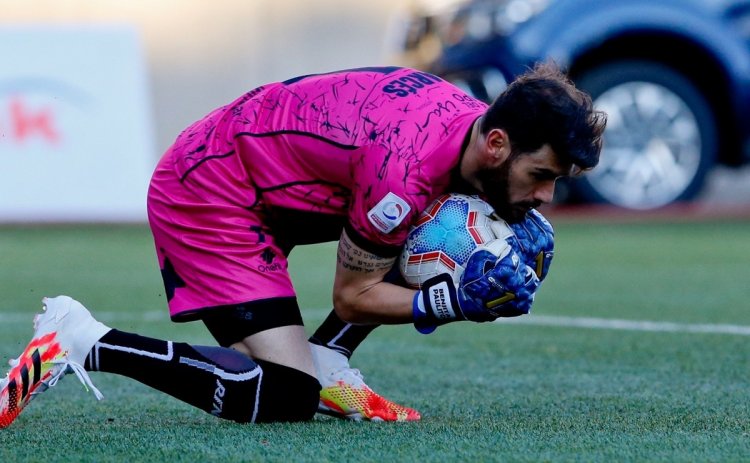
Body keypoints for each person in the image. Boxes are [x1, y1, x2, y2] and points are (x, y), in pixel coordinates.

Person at [0, 62, 606, 427]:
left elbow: (417, 236)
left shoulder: (473, 134)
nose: (547, 197)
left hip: (266, 178)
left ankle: (330, 364)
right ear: (496, 145)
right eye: (543, 176)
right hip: (212, 190)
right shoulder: (405, 171)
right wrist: (454, 303)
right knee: (285, 394)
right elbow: (354, 297)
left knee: (432, 234)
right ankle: (81, 338)